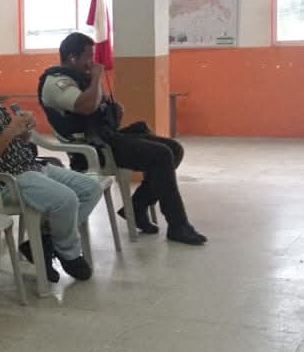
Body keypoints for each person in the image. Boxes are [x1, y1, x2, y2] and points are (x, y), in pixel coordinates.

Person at [0, 45, 102, 283]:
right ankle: (69, 253)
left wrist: (25, 130)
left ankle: (45, 241)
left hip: (29, 166)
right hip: (3, 181)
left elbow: (15, 138)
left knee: (91, 189)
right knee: (66, 200)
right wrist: (10, 130)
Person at [39, 33, 207, 246]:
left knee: (174, 149)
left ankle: (137, 206)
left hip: (105, 138)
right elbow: (86, 106)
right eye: (88, 57)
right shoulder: (57, 82)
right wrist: (97, 78)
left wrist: (112, 113)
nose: (93, 62)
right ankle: (178, 225)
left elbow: (96, 112)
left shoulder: (80, 78)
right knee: (161, 155)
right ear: (72, 58)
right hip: (91, 149)